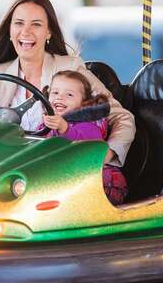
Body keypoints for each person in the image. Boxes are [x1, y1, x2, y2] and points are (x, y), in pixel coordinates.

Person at [0, 0, 135, 168]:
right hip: (8, 170)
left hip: (57, 170)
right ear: (10, 31)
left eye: (36, 24)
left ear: (48, 33)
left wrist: (107, 154)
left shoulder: (69, 68)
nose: (26, 32)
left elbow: (122, 117)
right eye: (19, 23)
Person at [42, 70, 128, 205]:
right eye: (55, 93)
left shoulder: (89, 123)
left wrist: (64, 128)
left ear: (83, 103)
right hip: (64, 175)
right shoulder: (47, 122)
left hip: (95, 179)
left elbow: (88, 146)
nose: (60, 97)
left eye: (69, 94)